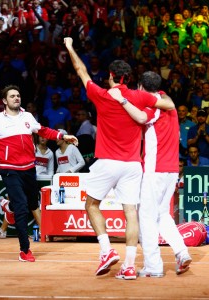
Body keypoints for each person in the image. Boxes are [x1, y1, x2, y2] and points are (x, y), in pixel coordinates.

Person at [64, 37, 175, 279]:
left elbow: (80, 70)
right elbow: (168, 104)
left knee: (91, 205)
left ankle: (106, 251)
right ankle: (128, 265)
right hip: (133, 165)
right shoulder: (140, 96)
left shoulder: (102, 94)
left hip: (107, 162)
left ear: (112, 76)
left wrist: (70, 46)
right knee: (131, 213)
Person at [0, 85, 78, 262]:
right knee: (21, 207)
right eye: (12, 96)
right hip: (9, 169)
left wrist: (62, 136)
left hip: (29, 169)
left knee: (32, 204)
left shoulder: (27, 116)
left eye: (18, 95)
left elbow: (42, 130)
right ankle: (24, 250)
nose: (16, 98)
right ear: (4, 101)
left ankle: (8, 207)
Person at [109, 71, 192, 277]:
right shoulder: (165, 99)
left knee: (145, 216)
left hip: (155, 169)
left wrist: (122, 100)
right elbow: (165, 99)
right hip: (172, 169)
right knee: (162, 214)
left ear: (140, 87)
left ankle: (153, 266)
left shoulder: (154, 105)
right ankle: (181, 252)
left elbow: (140, 117)